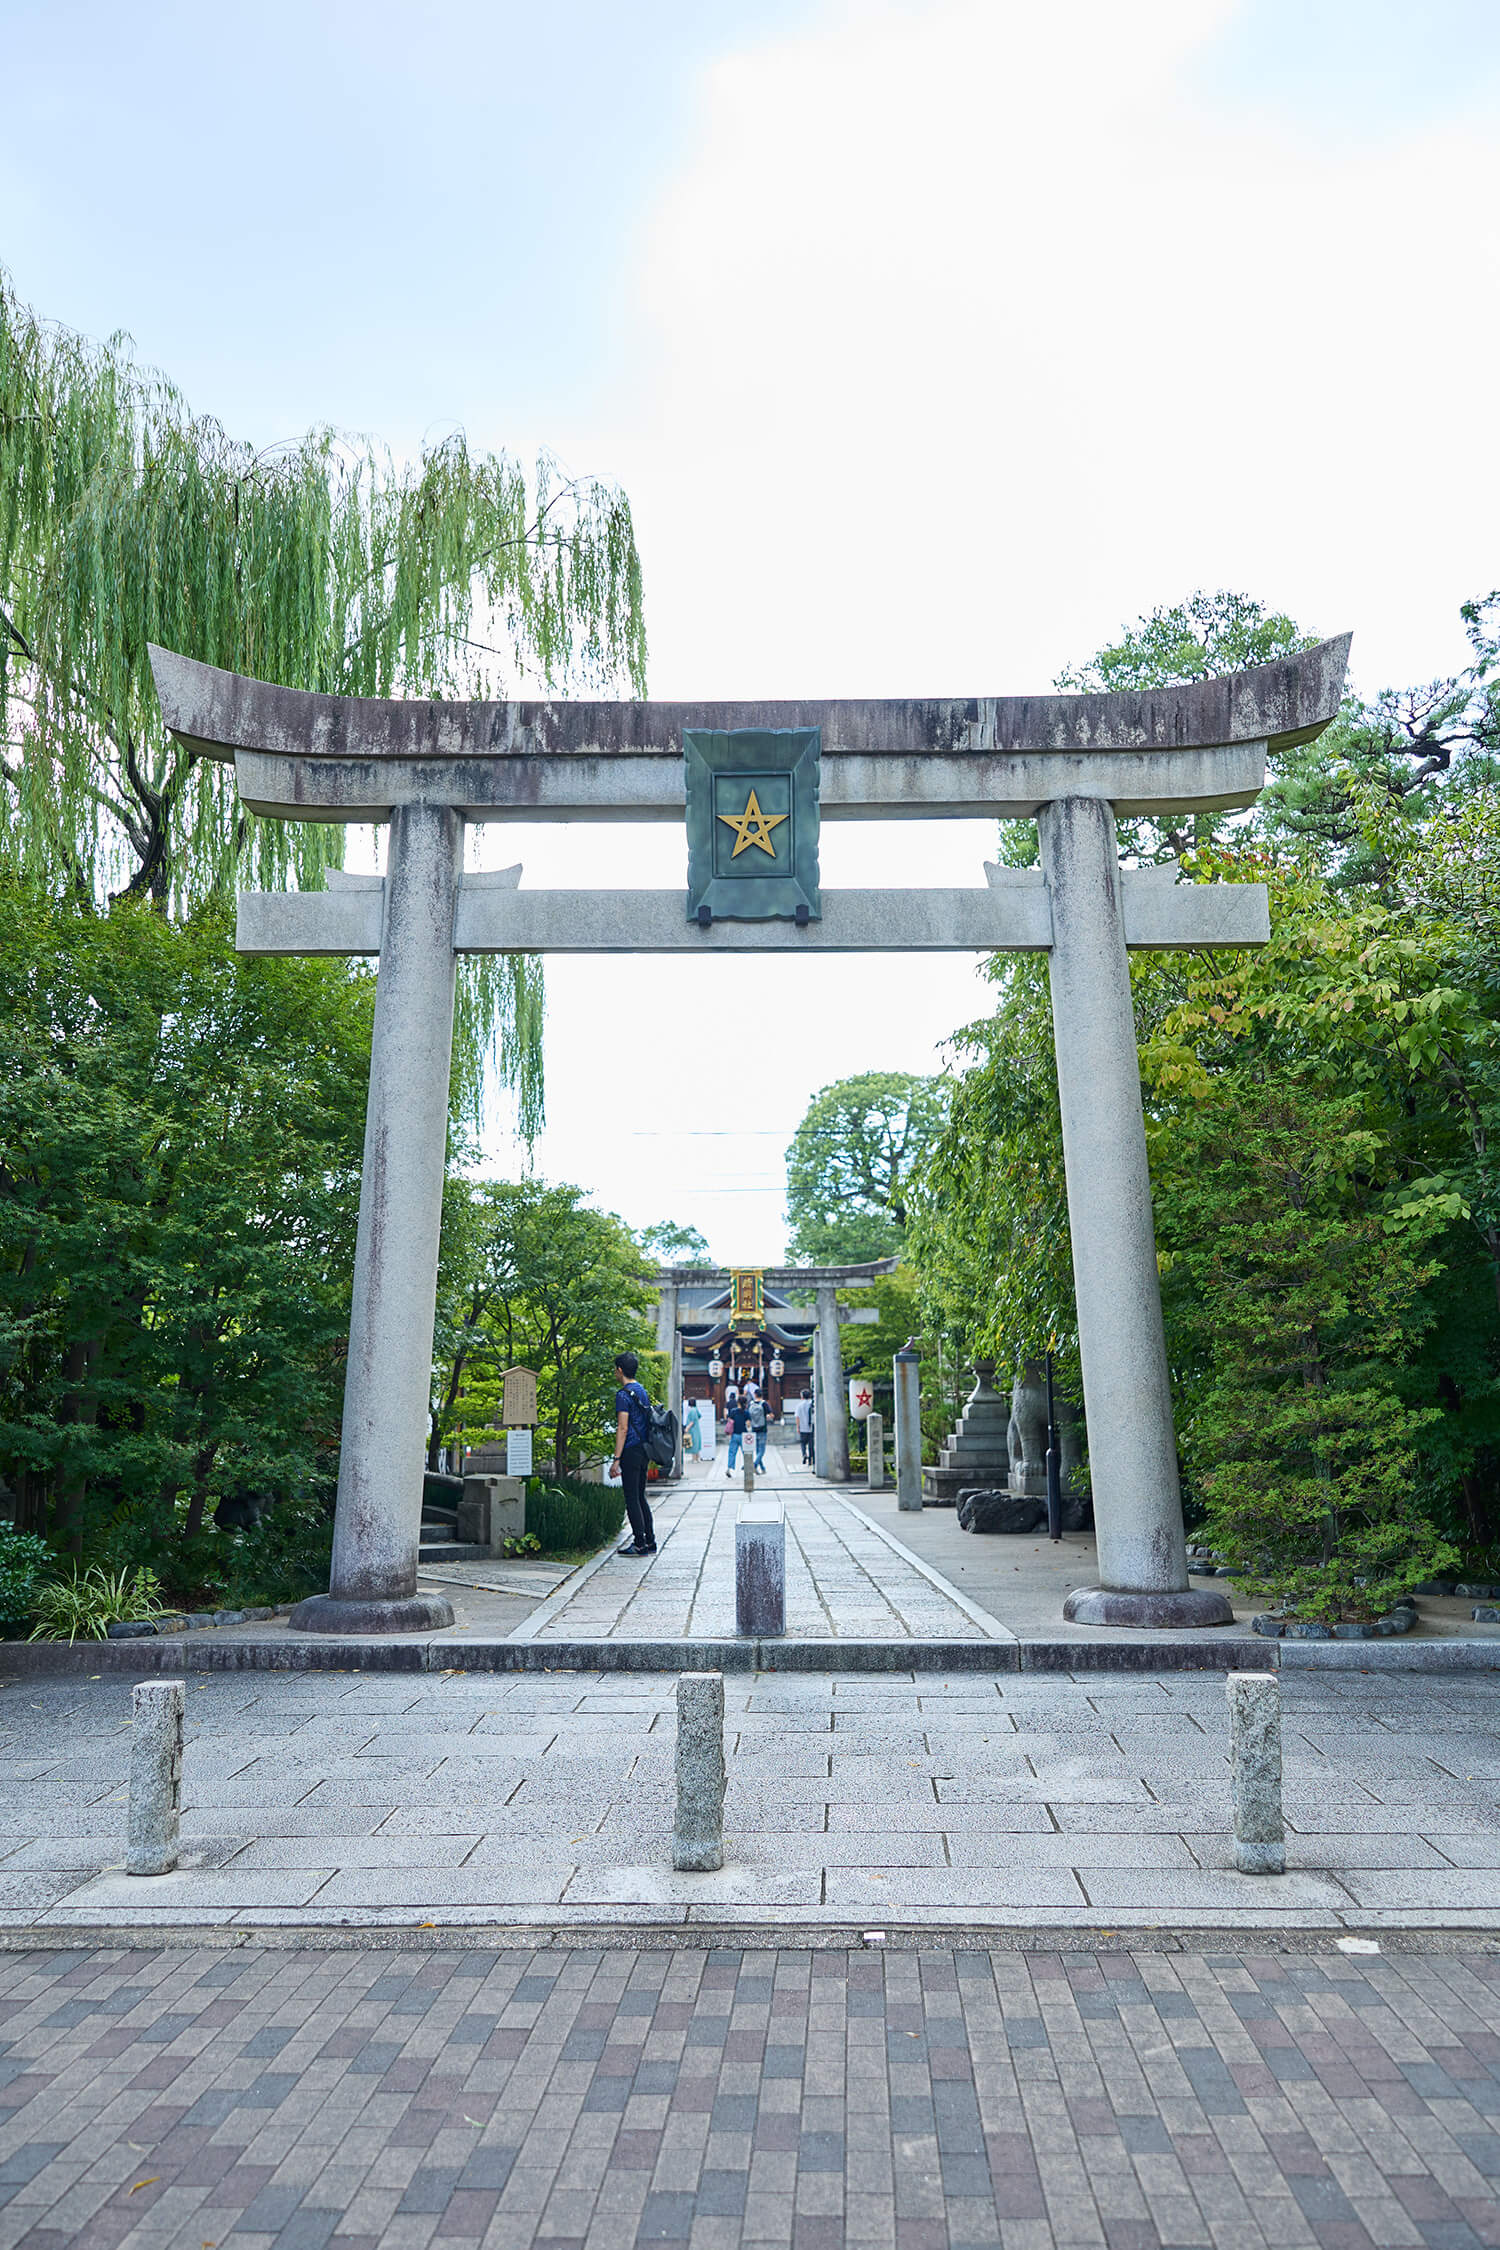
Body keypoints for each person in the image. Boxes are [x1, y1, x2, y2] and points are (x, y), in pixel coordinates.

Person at [610, 1351, 657, 1556]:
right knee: (640, 1495)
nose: (614, 1372)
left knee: (631, 1497)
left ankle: (639, 1543)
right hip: (644, 1450)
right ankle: (650, 1540)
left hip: (630, 1450)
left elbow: (623, 1428)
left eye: (615, 1369)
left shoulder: (623, 1395)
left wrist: (616, 1459)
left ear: (620, 1370)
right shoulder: (641, 1390)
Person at [724, 1393, 750, 1475]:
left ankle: (729, 1468)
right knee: (746, 1452)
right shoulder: (746, 1412)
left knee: (732, 1452)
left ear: (738, 1402)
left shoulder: (733, 1411)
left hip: (734, 1434)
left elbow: (729, 1421)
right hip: (744, 1435)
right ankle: (747, 1467)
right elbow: (748, 1424)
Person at [747, 1389, 769, 1473]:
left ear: (755, 1395)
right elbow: (771, 1414)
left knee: (757, 1450)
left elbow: (748, 1416)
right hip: (762, 1429)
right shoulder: (764, 1404)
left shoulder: (751, 1404)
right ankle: (755, 1465)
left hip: (753, 1429)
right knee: (762, 1450)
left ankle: (763, 1468)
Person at [794, 1388, 815, 1466]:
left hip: (803, 1427)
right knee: (811, 1444)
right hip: (811, 1427)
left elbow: (797, 1417)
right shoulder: (812, 1404)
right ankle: (811, 1459)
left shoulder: (799, 1405)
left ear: (802, 1396)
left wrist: (798, 1427)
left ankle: (804, 1454)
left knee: (803, 1443)